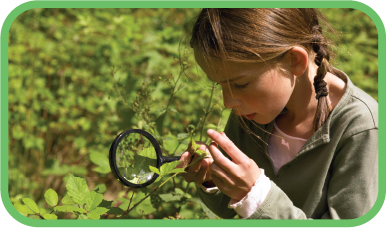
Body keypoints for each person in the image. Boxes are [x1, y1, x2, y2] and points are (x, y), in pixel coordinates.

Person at [176, 8, 378, 219]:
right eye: (220, 85)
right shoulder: (252, 111)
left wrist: (256, 197)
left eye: (241, 84)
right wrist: (212, 178)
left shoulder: (359, 126)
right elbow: (227, 208)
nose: (228, 102)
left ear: (295, 61)